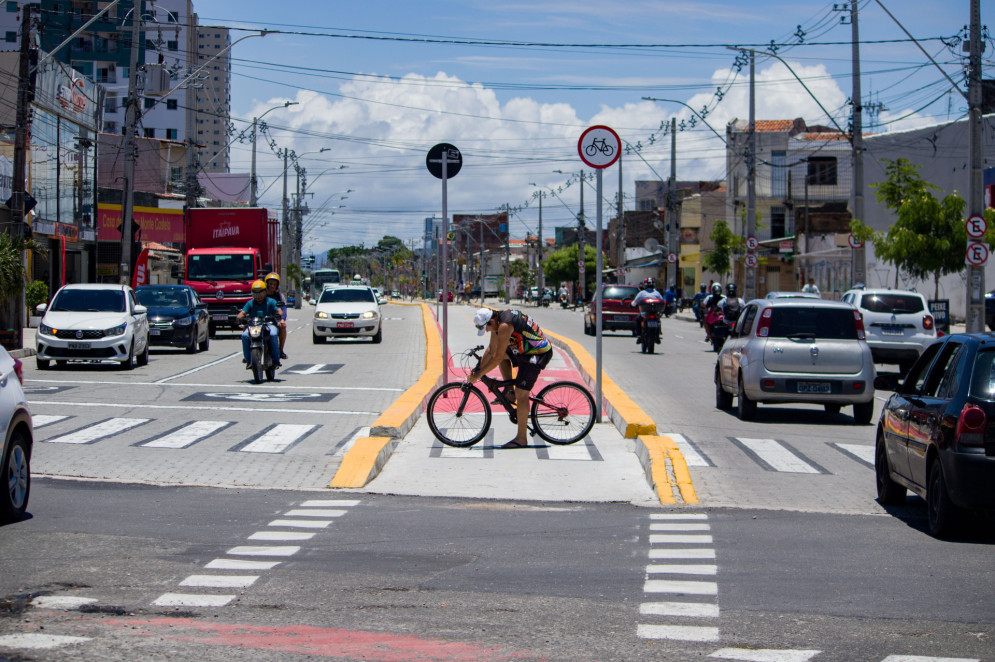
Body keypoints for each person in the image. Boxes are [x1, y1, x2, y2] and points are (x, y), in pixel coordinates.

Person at [467, 307, 553, 449]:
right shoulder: (498, 321)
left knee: (522, 393)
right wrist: (477, 369)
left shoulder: (505, 326)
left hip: (537, 352)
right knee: (501, 356)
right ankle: (509, 392)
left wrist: (479, 374)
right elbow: (491, 350)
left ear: (492, 321)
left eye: (486, 328)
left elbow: (497, 357)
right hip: (524, 349)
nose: (487, 331)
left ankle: (521, 439)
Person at [236, 280, 281, 369]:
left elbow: (279, 310)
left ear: (265, 292)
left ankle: (276, 359)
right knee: (244, 336)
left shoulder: (271, 301)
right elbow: (243, 312)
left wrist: (278, 314)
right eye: (255, 293)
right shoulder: (250, 303)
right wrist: (238, 318)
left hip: (269, 324)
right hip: (254, 326)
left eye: (260, 292)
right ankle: (248, 360)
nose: (258, 295)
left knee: (273, 334)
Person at [264, 272, 289, 360]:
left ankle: (281, 350)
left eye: (274, 284)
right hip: (262, 319)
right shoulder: (262, 295)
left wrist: (282, 319)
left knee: (283, 326)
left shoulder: (279, 296)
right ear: (266, 284)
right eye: (270, 284)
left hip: (275, 319)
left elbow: (284, 309)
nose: (272, 286)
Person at [631, 278, 664, 343]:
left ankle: (639, 335)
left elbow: (634, 303)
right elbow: (662, 302)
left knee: (638, 319)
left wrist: (631, 305)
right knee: (658, 321)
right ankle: (658, 334)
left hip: (645, 314)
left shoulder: (642, 293)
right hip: (655, 313)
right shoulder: (657, 293)